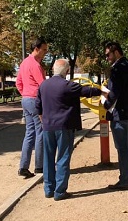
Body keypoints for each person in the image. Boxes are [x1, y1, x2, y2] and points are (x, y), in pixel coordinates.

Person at [36, 59, 103, 201]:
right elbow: (87, 91)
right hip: (64, 127)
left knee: (48, 158)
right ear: (66, 71)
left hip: (48, 127)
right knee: (63, 158)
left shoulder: (43, 85)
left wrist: (44, 121)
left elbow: (38, 106)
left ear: (53, 69)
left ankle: (48, 189)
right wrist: (102, 90)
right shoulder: (68, 85)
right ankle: (60, 192)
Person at [103, 41, 128, 190]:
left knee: (122, 147)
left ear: (116, 52)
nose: (107, 58)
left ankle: (124, 180)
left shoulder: (117, 69)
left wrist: (105, 105)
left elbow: (114, 93)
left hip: (121, 113)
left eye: (108, 55)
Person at [16, 37, 48, 178]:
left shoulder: (24, 63)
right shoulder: (35, 65)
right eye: (44, 50)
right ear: (37, 49)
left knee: (29, 134)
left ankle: (23, 166)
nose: (45, 53)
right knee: (40, 131)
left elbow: (18, 83)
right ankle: (39, 166)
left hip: (26, 100)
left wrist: (25, 94)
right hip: (35, 100)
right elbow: (43, 85)